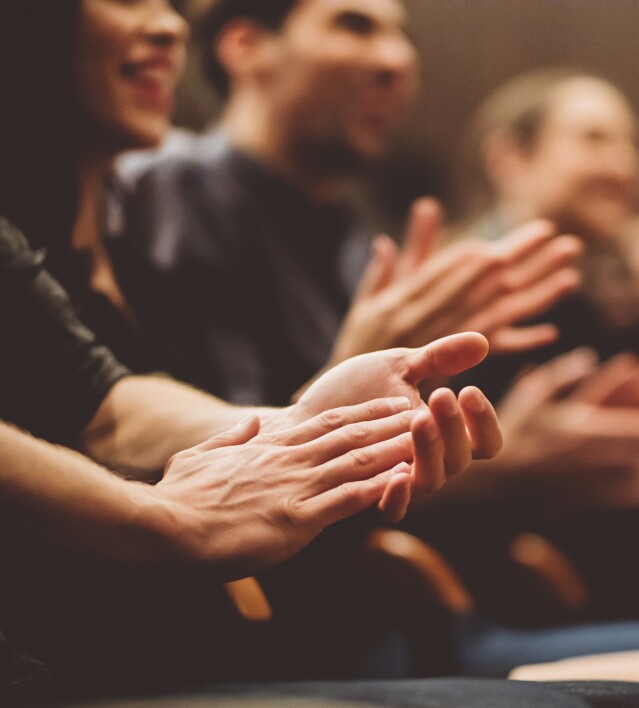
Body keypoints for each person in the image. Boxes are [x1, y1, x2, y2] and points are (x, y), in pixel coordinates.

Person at [0, 0, 508, 698]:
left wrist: (306, 420)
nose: (172, 27)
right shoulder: (180, 194)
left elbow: (102, 401)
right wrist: (167, 518)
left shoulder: (339, 223)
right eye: (354, 25)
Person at [112, 0, 582, 406]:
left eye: (403, 36)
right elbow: (209, 469)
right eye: (354, 25)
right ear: (247, 48)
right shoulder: (174, 191)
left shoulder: (354, 226)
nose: (399, 60)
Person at [415, 69, 639, 630]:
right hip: (493, 600)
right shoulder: (453, 291)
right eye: (594, 139)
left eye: (628, 143)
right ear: (511, 160)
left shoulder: (600, 292)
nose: (624, 167)